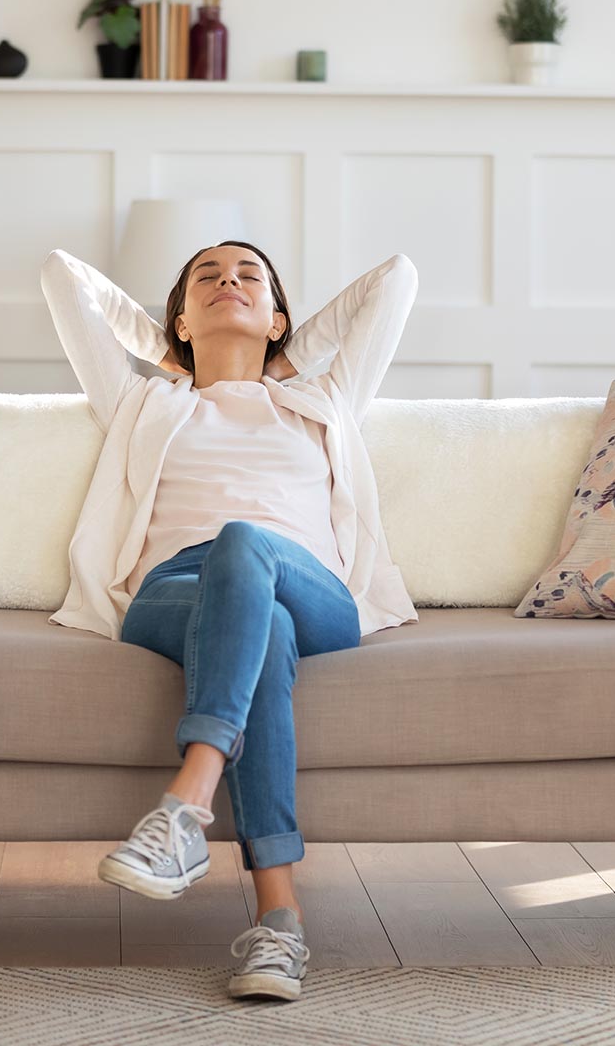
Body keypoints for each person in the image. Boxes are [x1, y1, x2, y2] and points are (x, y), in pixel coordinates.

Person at [40, 240, 419, 1001]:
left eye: (249, 277)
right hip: (173, 592)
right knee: (262, 627)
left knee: (246, 541)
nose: (227, 283)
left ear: (280, 316)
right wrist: (172, 349)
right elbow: (61, 273)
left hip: (313, 591)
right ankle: (279, 924)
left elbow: (395, 279)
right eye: (206, 279)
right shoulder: (146, 401)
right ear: (178, 316)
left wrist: (280, 351)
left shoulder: (322, 398)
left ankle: (186, 807)